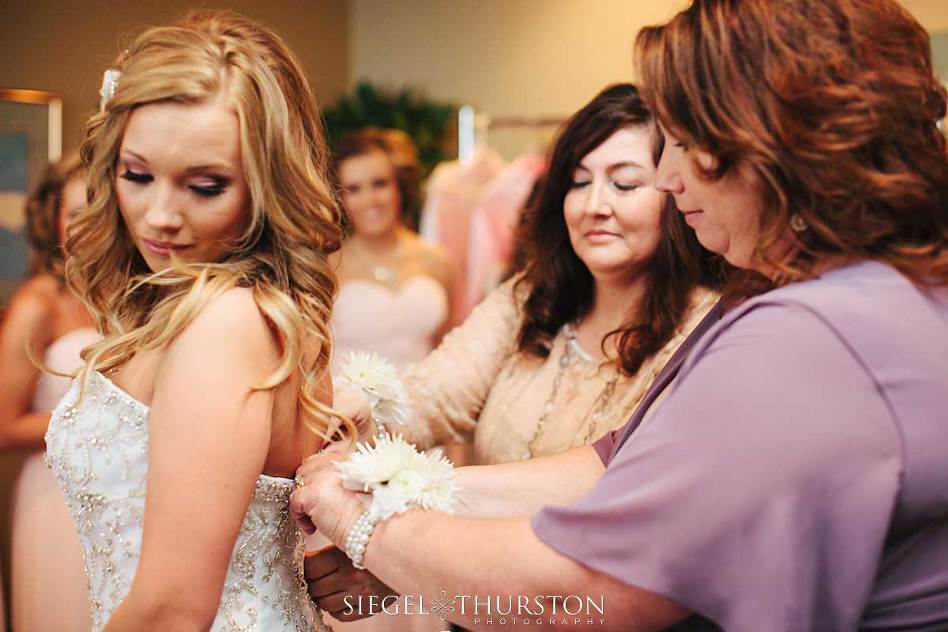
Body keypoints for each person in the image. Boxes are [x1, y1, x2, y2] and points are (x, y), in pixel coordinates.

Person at [291, 0, 948, 629]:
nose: (668, 177)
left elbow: (574, 598)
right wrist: (403, 507)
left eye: (684, 142)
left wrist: (366, 524)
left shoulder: (811, 337)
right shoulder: (838, 296)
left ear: (767, 144)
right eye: (580, 180)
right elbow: (612, 468)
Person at [304, 83, 721, 624]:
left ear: (675, 190)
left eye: (624, 183)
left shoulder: (709, 330)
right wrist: (350, 427)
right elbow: (431, 395)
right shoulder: (528, 300)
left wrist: (395, 541)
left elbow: (624, 493)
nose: (595, 205)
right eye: (577, 182)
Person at [44, 10, 350, 631]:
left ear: (266, 188)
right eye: (137, 175)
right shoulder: (184, 307)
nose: (159, 214)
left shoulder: (225, 322)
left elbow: (174, 608)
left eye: (204, 186)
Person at [0, 154, 96, 631]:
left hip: (124, 492)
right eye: (76, 214)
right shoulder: (38, 302)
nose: (87, 228)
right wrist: (99, 423)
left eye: (101, 211)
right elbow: (4, 426)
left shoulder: (134, 300)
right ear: (54, 219)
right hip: (56, 495)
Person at [331, 129, 456, 368]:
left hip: (423, 402)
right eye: (354, 189)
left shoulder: (437, 260)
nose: (370, 200)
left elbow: (451, 351)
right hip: (347, 402)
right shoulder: (327, 266)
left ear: (399, 186)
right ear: (340, 199)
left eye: (380, 184)